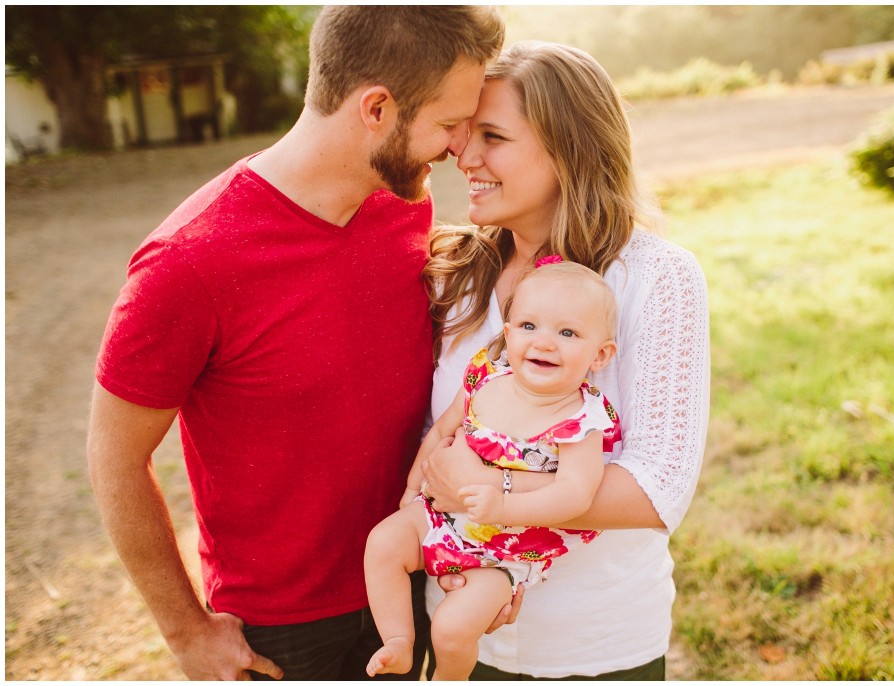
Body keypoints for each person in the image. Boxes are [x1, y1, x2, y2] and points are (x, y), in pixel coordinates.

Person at [86, 6, 503, 681]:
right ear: (376, 108)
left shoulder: (405, 203)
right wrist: (187, 633)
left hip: (409, 579)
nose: (460, 147)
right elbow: (114, 460)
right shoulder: (186, 263)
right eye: (450, 124)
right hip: (283, 635)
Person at [419, 41, 711, 680]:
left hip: (593, 644)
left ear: (568, 148)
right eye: (466, 135)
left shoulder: (656, 279)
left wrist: (477, 485)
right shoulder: (454, 276)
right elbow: (430, 433)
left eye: (492, 137)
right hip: (455, 628)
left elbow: (655, 490)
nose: (464, 157)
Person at [364, 259, 621, 680]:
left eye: (568, 333)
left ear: (600, 354)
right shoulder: (486, 378)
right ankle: (398, 640)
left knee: (452, 628)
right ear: (508, 332)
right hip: (442, 515)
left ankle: (448, 678)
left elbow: (576, 494)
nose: (544, 343)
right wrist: (414, 485)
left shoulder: (581, 421)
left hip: (505, 552)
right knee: (382, 543)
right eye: (528, 326)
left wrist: (502, 507)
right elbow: (442, 431)